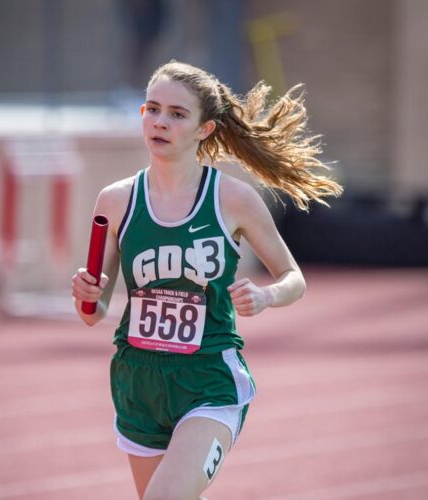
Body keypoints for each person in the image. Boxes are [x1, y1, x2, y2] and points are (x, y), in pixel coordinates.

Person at [72, 60, 342, 499]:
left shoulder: (233, 198)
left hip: (209, 381)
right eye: (153, 109)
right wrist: (85, 296)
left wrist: (266, 295)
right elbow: (92, 313)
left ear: (205, 129)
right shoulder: (116, 200)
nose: (160, 122)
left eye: (178, 114)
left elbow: (294, 277)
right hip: (137, 381)